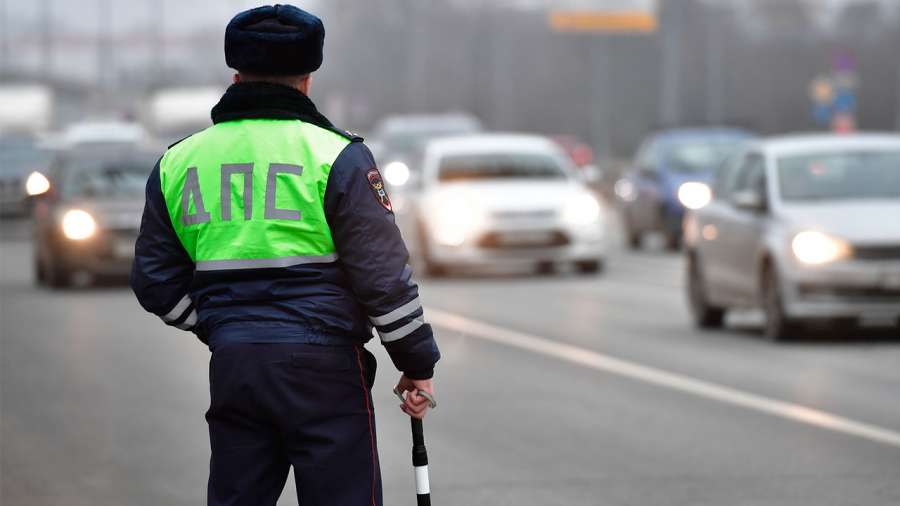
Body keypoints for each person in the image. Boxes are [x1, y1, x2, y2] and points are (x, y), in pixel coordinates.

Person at [130, 5, 440, 505]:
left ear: (235, 76)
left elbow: (153, 280)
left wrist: (220, 325)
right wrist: (416, 361)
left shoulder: (179, 161)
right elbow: (383, 280)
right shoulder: (337, 155)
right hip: (326, 368)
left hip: (236, 365)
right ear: (307, 80)